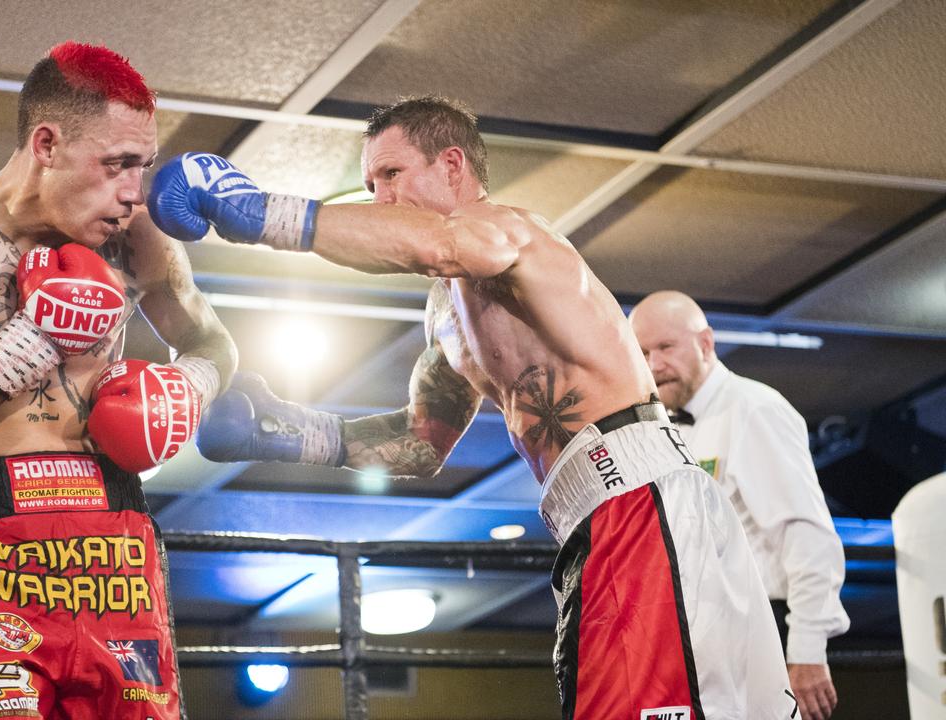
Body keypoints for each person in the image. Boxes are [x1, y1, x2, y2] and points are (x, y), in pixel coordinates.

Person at [148, 96, 795, 719]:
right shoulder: (445, 315)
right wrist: (288, 433)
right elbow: (421, 444)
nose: (381, 199)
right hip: (599, 515)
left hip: (640, 497)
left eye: (392, 174)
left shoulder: (507, 230)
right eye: (371, 183)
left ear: (453, 167)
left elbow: (437, 244)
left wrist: (259, 213)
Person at [0, 41, 236, 720]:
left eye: (142, 166)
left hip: (111, 537)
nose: (133, 190)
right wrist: (32, 344)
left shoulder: (140, 236)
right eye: (118, 164)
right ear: (47, 143)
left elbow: (211, 340)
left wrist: (191, 386)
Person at [629, 290, 849, 720]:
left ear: (706, 343)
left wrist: (807, 649)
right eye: (642, 352)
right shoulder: (660, 429)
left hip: (763, 631)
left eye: (666, 347)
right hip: (702, 640)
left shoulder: (754, 410)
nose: (654, 365)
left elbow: (806, 533)